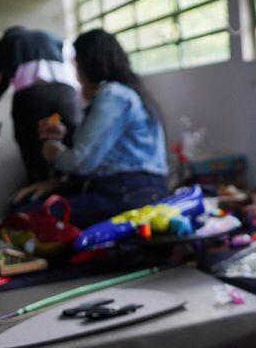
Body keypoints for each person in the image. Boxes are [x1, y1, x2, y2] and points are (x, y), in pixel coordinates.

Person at [13, 29, 168, 229]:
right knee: (27, 206)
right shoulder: (129, 93)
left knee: (24, 217)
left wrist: (55, 153)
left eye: (76, 63)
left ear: (88, 62)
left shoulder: (112, 95)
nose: (76, 72)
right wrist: (66, 136)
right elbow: (105, 148)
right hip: (141, 189)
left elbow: (82, 161)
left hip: (126, 192)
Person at [0, 26, 80, 183]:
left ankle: (39, 194)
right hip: (67, 98)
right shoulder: (56, 37)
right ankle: (73, 190)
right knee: (73, 144)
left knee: (33, 152)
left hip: (32, 99)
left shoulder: (7, 42)